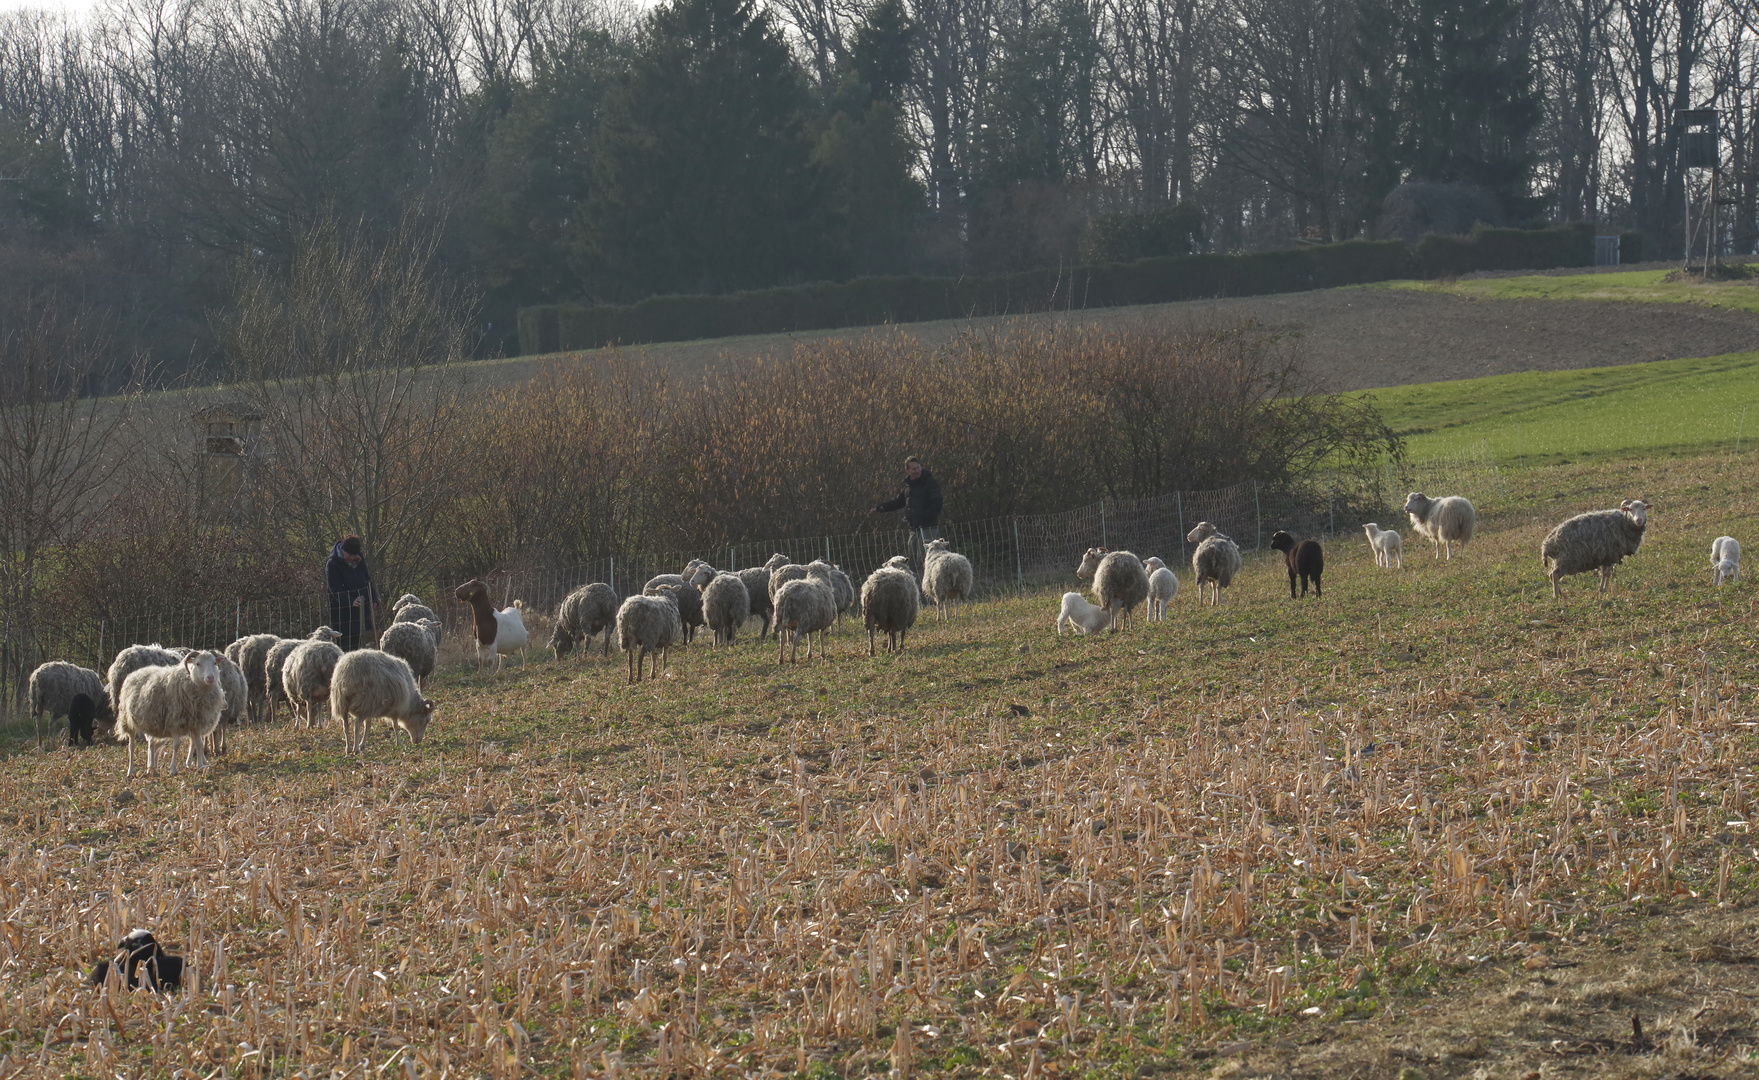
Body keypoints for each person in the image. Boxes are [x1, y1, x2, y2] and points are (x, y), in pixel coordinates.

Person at [869, 456, 943, 555]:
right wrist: (879, 508)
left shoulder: (930, 482)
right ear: (907, 470)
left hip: (928, 527)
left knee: (924, 558)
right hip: (913, 527)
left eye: (918, 467)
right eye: (913, 469)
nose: (917, 470)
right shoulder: (908, 488)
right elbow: (898, 503)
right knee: (912, 559)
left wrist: (923, 517)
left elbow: (937, 504)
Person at [325, 535, 379, 651]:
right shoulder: (332, 564)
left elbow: (367, 579)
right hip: (342, 611)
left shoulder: (358, 559)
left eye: (355, 555)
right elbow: (335, 589)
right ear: (343, 551)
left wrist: (373, 599)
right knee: (344, 644)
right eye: (349, 555)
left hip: (359, 609)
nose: (352, 558)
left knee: (357, 640)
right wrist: (350, 601)